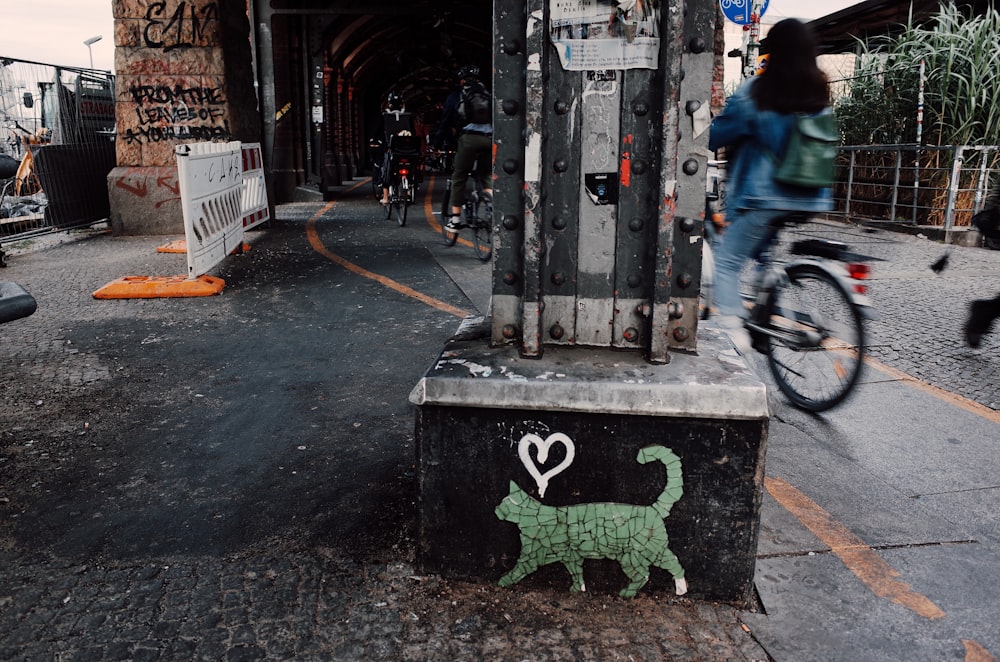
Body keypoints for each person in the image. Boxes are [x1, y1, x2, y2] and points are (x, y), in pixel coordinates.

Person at [707, 19, 835, 353]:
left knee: (727, 262)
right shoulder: (818, 92)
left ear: (773, 52)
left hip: (766, 196)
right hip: (810, 195)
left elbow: (716, 135)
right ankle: (767, 297)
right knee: (765, 251)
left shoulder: (758, 91)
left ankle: (734, 335)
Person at [430, 65, 493, 232]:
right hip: (489, 138)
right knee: (486, 174)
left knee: (459, 176)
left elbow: (444, 124)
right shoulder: (489, 94)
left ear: (462, 80)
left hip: (468, 139)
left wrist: (436, 146)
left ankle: (456, 220)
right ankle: (491, 204)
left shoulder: (456, 96)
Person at [372, 91, 415, 205]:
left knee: (386, 169)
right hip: (407, 148)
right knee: (410, 165)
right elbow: (413, 132)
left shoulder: (384, 116)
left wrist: (374, 140)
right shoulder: (408, 116)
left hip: (391, 148)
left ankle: (386, 197)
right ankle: (409, 189)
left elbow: (377, 132)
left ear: (389, 103)